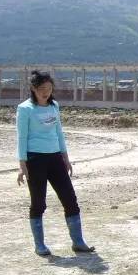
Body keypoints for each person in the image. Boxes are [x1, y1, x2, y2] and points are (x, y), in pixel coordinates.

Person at [16, 70, 94, 256]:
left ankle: (78, 242)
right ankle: (40, 245)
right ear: (33, 89)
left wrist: (66, 159)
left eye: (49, 89)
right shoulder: (25, 109)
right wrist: (22, 164)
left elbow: (59, 133)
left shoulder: (54, 106)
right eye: (42, 89)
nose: (46, 92)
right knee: (38, 203)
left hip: (55, 159)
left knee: (70, 200)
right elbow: (21, 137)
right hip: (35, 160)